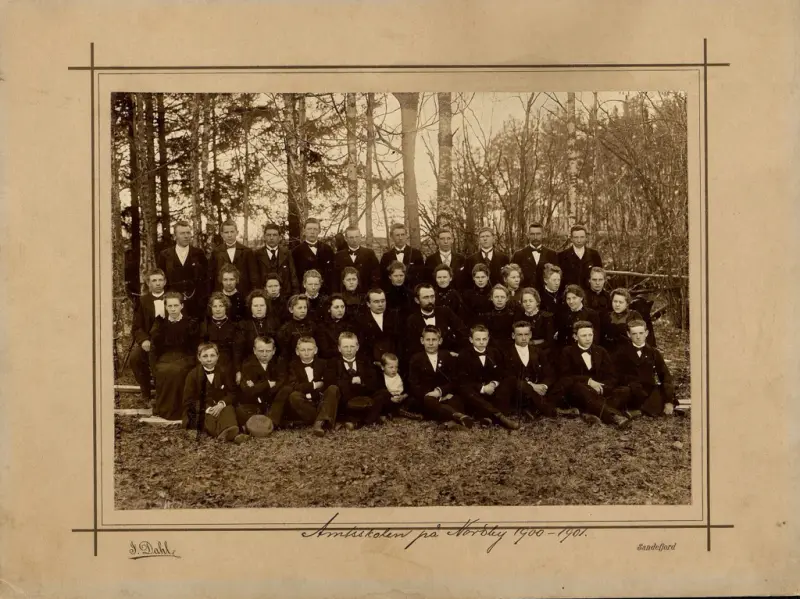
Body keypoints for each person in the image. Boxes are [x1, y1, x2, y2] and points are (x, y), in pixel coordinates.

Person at [557, 320, 631, 429]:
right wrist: (589, 381)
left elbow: (612, 375)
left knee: (625, 391)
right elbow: (566, 376)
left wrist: (602, 387)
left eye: (590, 335)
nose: (588, 339)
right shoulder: (567, 352)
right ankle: (614, 416)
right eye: (583, 335)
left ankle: (589, 413)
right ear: (575, 337)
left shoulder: (601, 351)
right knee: (582, 389)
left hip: (599, 390)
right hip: (578, 391)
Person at [408, 326, 475, 430]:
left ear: (440, 341)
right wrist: (433, 395)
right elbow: (414, 383)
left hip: (444, 394)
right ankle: (456, 417)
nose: (431, 343)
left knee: (457, 400)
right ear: (422, 341)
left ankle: (450, 422)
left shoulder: (447, 356)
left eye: (434, 340)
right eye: (428, 340)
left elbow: (454, 380)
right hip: (426, 396)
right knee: (429, 402)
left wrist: (441, 392)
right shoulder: (416, 358)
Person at [456, 325, 519, 429]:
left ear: (488, 339)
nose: (481, 342)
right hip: (476, 393)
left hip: (492, 390)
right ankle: (499, 416)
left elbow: (501, 373)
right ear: (471, 340)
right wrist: (482, 388)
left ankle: (487, 418)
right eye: (478, 339)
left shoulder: (495, 352)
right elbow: (463, 380)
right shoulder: (464, 355)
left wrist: (493, 384)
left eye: (484, 339)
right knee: (464, 389)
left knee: (509, 380)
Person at [150, 292, 199, 421]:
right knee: (163, 370)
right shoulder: (161, 323)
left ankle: (178, 412)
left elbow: (194, 347)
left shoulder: (190, 323)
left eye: (176, 305)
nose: (173, 309)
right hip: (166, 357)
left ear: (181, 306)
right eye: (170, 306)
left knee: (176, 371)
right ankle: (163, 409)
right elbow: (155, 344)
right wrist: (159, 324)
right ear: (165, 307)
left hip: (185, 356)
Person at [277, 337, 341, 437]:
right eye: (303, 350)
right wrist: (314, 385)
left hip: (321, 402)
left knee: (333, 389)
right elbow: (294, 386)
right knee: (294, 396)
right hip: (305, 405)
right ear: (297, 352)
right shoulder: (293, 365)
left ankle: (319, 422)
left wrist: (321, 385)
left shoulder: (324, 363)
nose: (306, 353)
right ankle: (323, 419)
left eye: (310, 350)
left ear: (315, 350)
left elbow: (328, 382)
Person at [182, 342, 242, 442]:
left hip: (220, 406)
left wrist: (221, 404)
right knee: (206, 419)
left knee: (229, 409)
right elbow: (188, 401)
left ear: (218, 356)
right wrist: (208, 409)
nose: (209, 359)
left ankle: (228, 430)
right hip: (203, 408)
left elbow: (232, 393)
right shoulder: (192, 375)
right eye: (205, 356)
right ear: (199, 357)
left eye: (212, 355)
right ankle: (223, 433)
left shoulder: (224, 371)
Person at [502, 321, 563, 419]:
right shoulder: (506, 353)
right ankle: (546, 409)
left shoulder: (538, 352)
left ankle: (533, 408)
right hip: (518, 392)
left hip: (538, 388)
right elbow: (508, 376)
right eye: (519, 335)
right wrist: (531, 386)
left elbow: (549, 373)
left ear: (530, 335)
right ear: (513, 336)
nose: (523, 338)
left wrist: (543, 385)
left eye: (526, 334)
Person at [615, 320, 675, 418]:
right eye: (634, 334)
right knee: (623, 393)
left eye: (641, 333)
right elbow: (617, 374)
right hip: (633, 390)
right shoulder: (621, 353)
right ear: (628, 334)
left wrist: (669, 400)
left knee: (658, 392)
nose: (638, 337)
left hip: (649, 390)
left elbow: (665, 376)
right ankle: (640, 409)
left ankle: (640, 411)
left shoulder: (654, 353)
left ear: (646, 333)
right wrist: (630, 382)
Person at [325, 332, 385, 429]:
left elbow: (374, 380)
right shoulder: (333, 363)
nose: (349, 350)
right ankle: (369, 418)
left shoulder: (365, 361)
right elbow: (330, 382)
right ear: (339, 348)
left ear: (357, 347)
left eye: (352, 346)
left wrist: (361, 380)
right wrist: (349, 382)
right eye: (345, 347)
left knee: (383, 394)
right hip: (346, 399)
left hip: (364, 396)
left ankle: (362, 421)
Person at [157, 220, 209, 319]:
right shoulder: (165, 255)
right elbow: (161, 278)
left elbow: (206, 278)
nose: (186, 236)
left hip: (196, 303)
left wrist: (202, 299)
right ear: (175, 236)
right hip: (173, 304)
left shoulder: (199, 253)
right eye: (182, 233)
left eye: (188, 233)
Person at [130, 268, 167, 402]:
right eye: (154, 281)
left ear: (165, 282)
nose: (157, 283)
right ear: (149, 284)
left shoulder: (172, 297)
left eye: (160, 280)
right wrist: (144, 340)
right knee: (135, 358)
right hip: (149, 342)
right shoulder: (143, 301)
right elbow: (136, 327)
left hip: (169, 342)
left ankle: (163, 393)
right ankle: (146, 392)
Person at [237, 336, 287, 431]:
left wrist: (258, 386)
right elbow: (248, 390)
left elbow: (281, 383)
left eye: (268, 351)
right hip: (255, 402)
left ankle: (271, 423)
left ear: (274, 351)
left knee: (286, 390)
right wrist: (267, 384)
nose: (264, 354)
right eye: (261, 351)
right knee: (241, 410)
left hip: (273, 401)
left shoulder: (279, 363)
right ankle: (254, 426)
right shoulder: (247, 365)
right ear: (254, 351)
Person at [405, 283, 468, 357]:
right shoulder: (412, 320)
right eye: (426, 297)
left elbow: (462, 332)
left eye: (432, 297)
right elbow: (413, 347)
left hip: (449, 357)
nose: (430, 301)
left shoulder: (446, 312)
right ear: (417, 300)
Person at [208, 219, 258, 298]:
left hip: (243, 294)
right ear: (222, 234)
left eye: (232, 232)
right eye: (226, 232)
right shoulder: (216, 252)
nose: (229, 235)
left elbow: (253, 277)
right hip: (222, 295)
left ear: (237, 232)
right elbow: (212, 276)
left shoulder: (247, 252)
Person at [234, 290, 280, 372]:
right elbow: (238, 351)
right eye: (255, 306)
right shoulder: (243, 325)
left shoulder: (275, 324)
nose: (259, 309)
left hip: (272, 367)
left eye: (262, 305)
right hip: (250, 367)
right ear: (250, 307)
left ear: (267, 306)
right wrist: (238, 370)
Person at [354, 288, 403, 365]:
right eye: (376, 302)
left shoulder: (394, 316)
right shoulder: (361, 320)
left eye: (383, 301)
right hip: (371, 363)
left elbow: (399, 342)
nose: (380, 304)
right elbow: (361, 346)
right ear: (368, 304)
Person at [292, 218, 336, 293]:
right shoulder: (296, 252)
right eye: (309, 229)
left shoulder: (328, 249)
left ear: (319, 231)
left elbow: (332, 275)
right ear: (304, 231)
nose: (312, 232)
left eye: (315, 229)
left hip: (325, 292)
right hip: (304, 294)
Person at [512, 222, 559, 293]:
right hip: (525, 295)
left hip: (546, 295)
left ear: (543, 235)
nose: (535, 237)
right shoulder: (518, 255)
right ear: (528, 235)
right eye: (532, 234)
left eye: (538, 234)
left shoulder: (552, 254)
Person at [374, 353, 422, 420]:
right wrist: (390, 398)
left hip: (401, 399)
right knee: (381, 400)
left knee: (413, 399)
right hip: (390, 400)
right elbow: (380, 391)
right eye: (391, 367)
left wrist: (403, 396)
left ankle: (400, 412)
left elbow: (409, 388)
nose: (394, 370)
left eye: (396, 367)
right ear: (382, 367)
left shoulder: (401, 376)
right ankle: (397, 413)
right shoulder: (380, 378)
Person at [379, 223, 426, 290]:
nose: (400, 238)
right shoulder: (386, 256)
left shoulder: (416, 253)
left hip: (412, 292)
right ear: (392, 237)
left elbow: (421, 275)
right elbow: (383, 278)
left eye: (403, 235)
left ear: (406, 235)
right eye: (397, 235)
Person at [256, 222, 299, 295]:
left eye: (274, 235)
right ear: (264, 237)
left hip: (285, 297)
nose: (271, 238)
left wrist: (295, 297)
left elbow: (293, 277)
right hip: (264, 298)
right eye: (268, 235)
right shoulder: (256, 254)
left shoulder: (287, 253)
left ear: (279, 237)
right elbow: (255, 280)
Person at [200, 292, 238, 374]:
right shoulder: (205, 326)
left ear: (226, 307)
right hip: (209, 360)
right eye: (215, 306)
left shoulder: (234, 326)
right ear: (211, 308)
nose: (218, 309)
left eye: (221, 306)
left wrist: (237, 370)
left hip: (228, 362)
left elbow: (237, 351)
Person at [333, 226, 380, 292]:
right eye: (351, 237)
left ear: (360, 236)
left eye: (357, 237)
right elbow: (335, 279)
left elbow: (376, 276)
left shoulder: (369, 254)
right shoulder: (338, 256)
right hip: (345, 296)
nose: (354, 240)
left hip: (365, 294)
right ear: (346, 239)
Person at [557, 225, 603, 290]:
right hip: (570, 295)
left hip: (589, 294)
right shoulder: (562, 256)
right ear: (571, 238)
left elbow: (600, 274)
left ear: (586, 238)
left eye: (582, 237)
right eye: (576, 237)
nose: (579, 240)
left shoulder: (594, 254)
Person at [600, 288, 643, 354]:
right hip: (609, 352)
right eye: (615, 301)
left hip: (629, 352)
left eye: (621, 302)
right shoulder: (607, 316)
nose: (617, 305)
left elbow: (640, 337)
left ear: (627, 304)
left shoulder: (634, 316)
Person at [316, 294, 357, 359]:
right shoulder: (322, 327)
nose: (340, 310)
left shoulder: (351, 325)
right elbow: (325, 352)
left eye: (342, 307)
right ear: (329, 309)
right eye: (336, 307)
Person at [480, 284, 521, 349]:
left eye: (502, 297)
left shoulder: (513, 316)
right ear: (491, 298)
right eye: (496, 297)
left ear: (507, 298)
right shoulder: (486, 317)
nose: (499, 300)